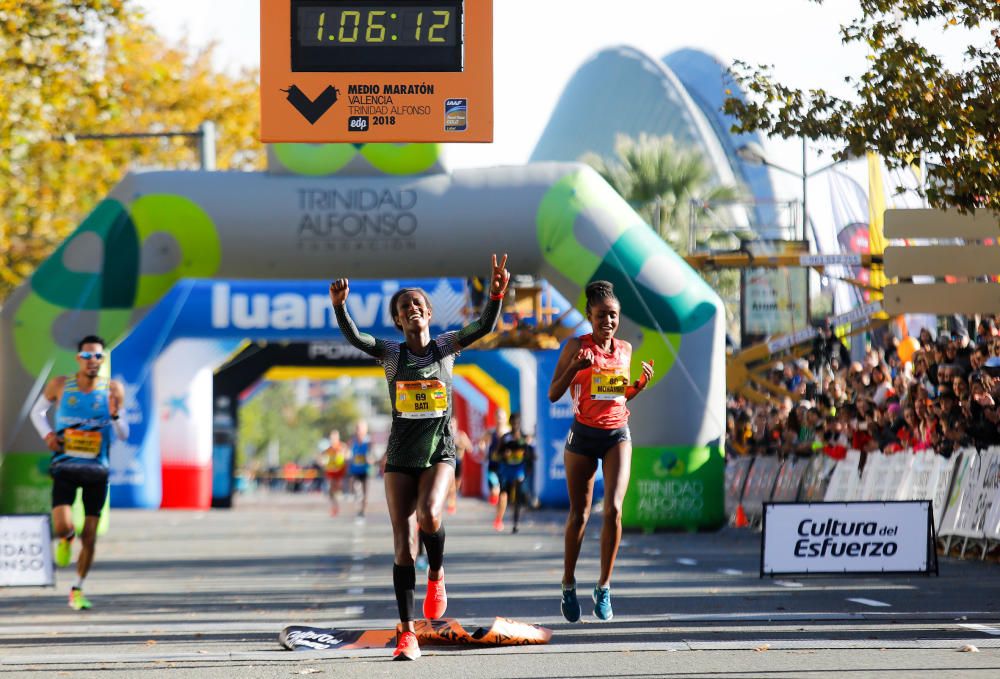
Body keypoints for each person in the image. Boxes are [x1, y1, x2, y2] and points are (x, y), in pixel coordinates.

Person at [329, 253, 509, 661]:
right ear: (398, 320)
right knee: (403, 543)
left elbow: (483, 325)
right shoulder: (392, 354)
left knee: (430, 514)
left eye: (417, 305)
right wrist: (341, 307)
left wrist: (496, 293)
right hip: (400, 456)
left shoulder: (446, 347)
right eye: (403, 307)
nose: (411, 309)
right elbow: (358, 339)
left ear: (428, 313)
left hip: (440, 451)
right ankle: (407, 633)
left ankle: (437, 572)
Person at [548, 281, 654, 623]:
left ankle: (604, 587)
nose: (608, 321)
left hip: (616, 434)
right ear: (588, 316)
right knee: (579, 515)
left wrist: (637, 386)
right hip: (582, 436)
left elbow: (617, 395)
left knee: (614, 510)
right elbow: (553, 393)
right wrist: (575, 369)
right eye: (601, 315)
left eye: (613, 315)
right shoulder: (576, 347)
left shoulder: (624, 349)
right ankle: (568, 583)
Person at [30, 336, 128, 610]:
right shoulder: (61, 385)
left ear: (103, 360)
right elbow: (37, 412)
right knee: (62, 525)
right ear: (78, 359)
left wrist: (116, 415)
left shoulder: (112, 389)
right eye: (87, 356)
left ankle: (77, 589)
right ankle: (65, 538)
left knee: (91, 536)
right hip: (65, 466)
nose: (92, 361)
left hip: (97, 470)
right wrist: (48, 434)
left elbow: (123, 434)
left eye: (97, 356)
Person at [493, 412, 532, 534]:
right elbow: (495, 455)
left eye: (517, 423)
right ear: (510, 423)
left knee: (518, 496)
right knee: (504, 494)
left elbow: (530, 455)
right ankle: (499, 518)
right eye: (513, 423)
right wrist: (504, 455)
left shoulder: (525, 438)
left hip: (518, 470)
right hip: (506, 469)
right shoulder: (505, 438)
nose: (515, 425)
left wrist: (526, 456)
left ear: (520, 424)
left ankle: (515, 523)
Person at [447, 416, 473, 514]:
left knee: (456, 484)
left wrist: (462, 444)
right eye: (450, 423)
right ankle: (451, 503)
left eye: (453, 423)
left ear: (457, 424)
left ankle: (452, 498)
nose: (452, 425)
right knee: (451, 484)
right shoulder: (446, 435)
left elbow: (470, 448)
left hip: (458, 462)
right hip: (449, 463)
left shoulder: (461, 435)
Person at [348, 420, 373, 517]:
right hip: (354, 470)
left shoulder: (369, 442)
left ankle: (362, 511)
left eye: (361, 429)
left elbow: (372, 455)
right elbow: (347, 453)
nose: (359, 431)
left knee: (365, 494)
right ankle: (356, 496)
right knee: (354, 486)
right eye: (357, 428)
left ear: (365, 430)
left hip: (365, 470)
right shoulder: (352, 441)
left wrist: (370, 459)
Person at [322, 430, 347, 516]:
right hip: (331, 472)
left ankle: (337, 506)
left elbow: (347, 456)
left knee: (337, 490)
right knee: (331, 491)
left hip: (340, 473)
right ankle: (335, 507)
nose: (333, 440)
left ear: (338, 438)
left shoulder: (342, 447)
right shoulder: (328, 449)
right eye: (331, 438)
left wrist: (342, 454)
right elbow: (323, 459)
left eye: (334, 438)